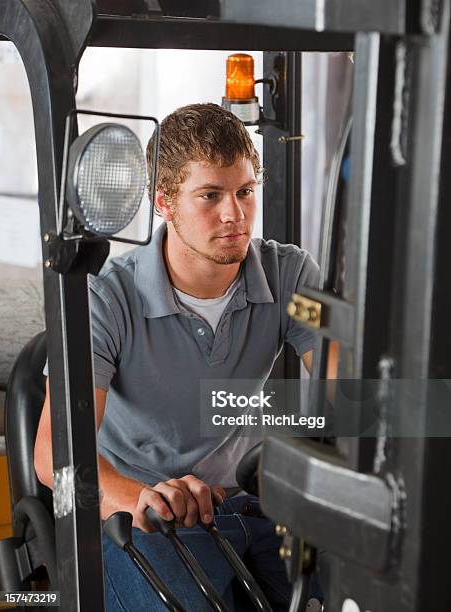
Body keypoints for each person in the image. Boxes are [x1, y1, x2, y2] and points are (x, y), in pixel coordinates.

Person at [34, 103, 322, 611]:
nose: (234, 214)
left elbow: (349, 384)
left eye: (245, 191)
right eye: (210, 196)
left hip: (255, 504)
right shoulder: (104, 298)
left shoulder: (291, 277)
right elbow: (51, 457)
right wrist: (138, 498)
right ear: (164, 202)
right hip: (142, 519)